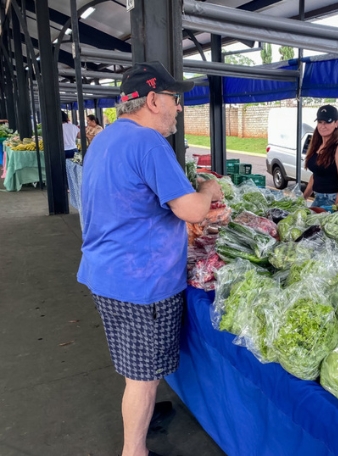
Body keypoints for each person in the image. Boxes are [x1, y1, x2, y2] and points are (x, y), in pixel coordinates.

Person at [77, 61, 222, 456]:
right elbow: (191, 211)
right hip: (140, 282)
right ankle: (134, 451)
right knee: (141, 378)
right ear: (154, 99)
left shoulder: (105, 139)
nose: (178, 108)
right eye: (175, 100)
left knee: (135, 367)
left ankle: (141, 415)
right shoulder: (148, 143)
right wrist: (209, 189)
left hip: (105, 273)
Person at [302, 105, 338, 209]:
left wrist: (336, 208)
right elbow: (315, 175)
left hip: (332, 200)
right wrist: (303, 198)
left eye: (327, 122)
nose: (323, 126)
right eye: (320, 122)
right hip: (317, 198)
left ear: (336, 123)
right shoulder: (316, 145)